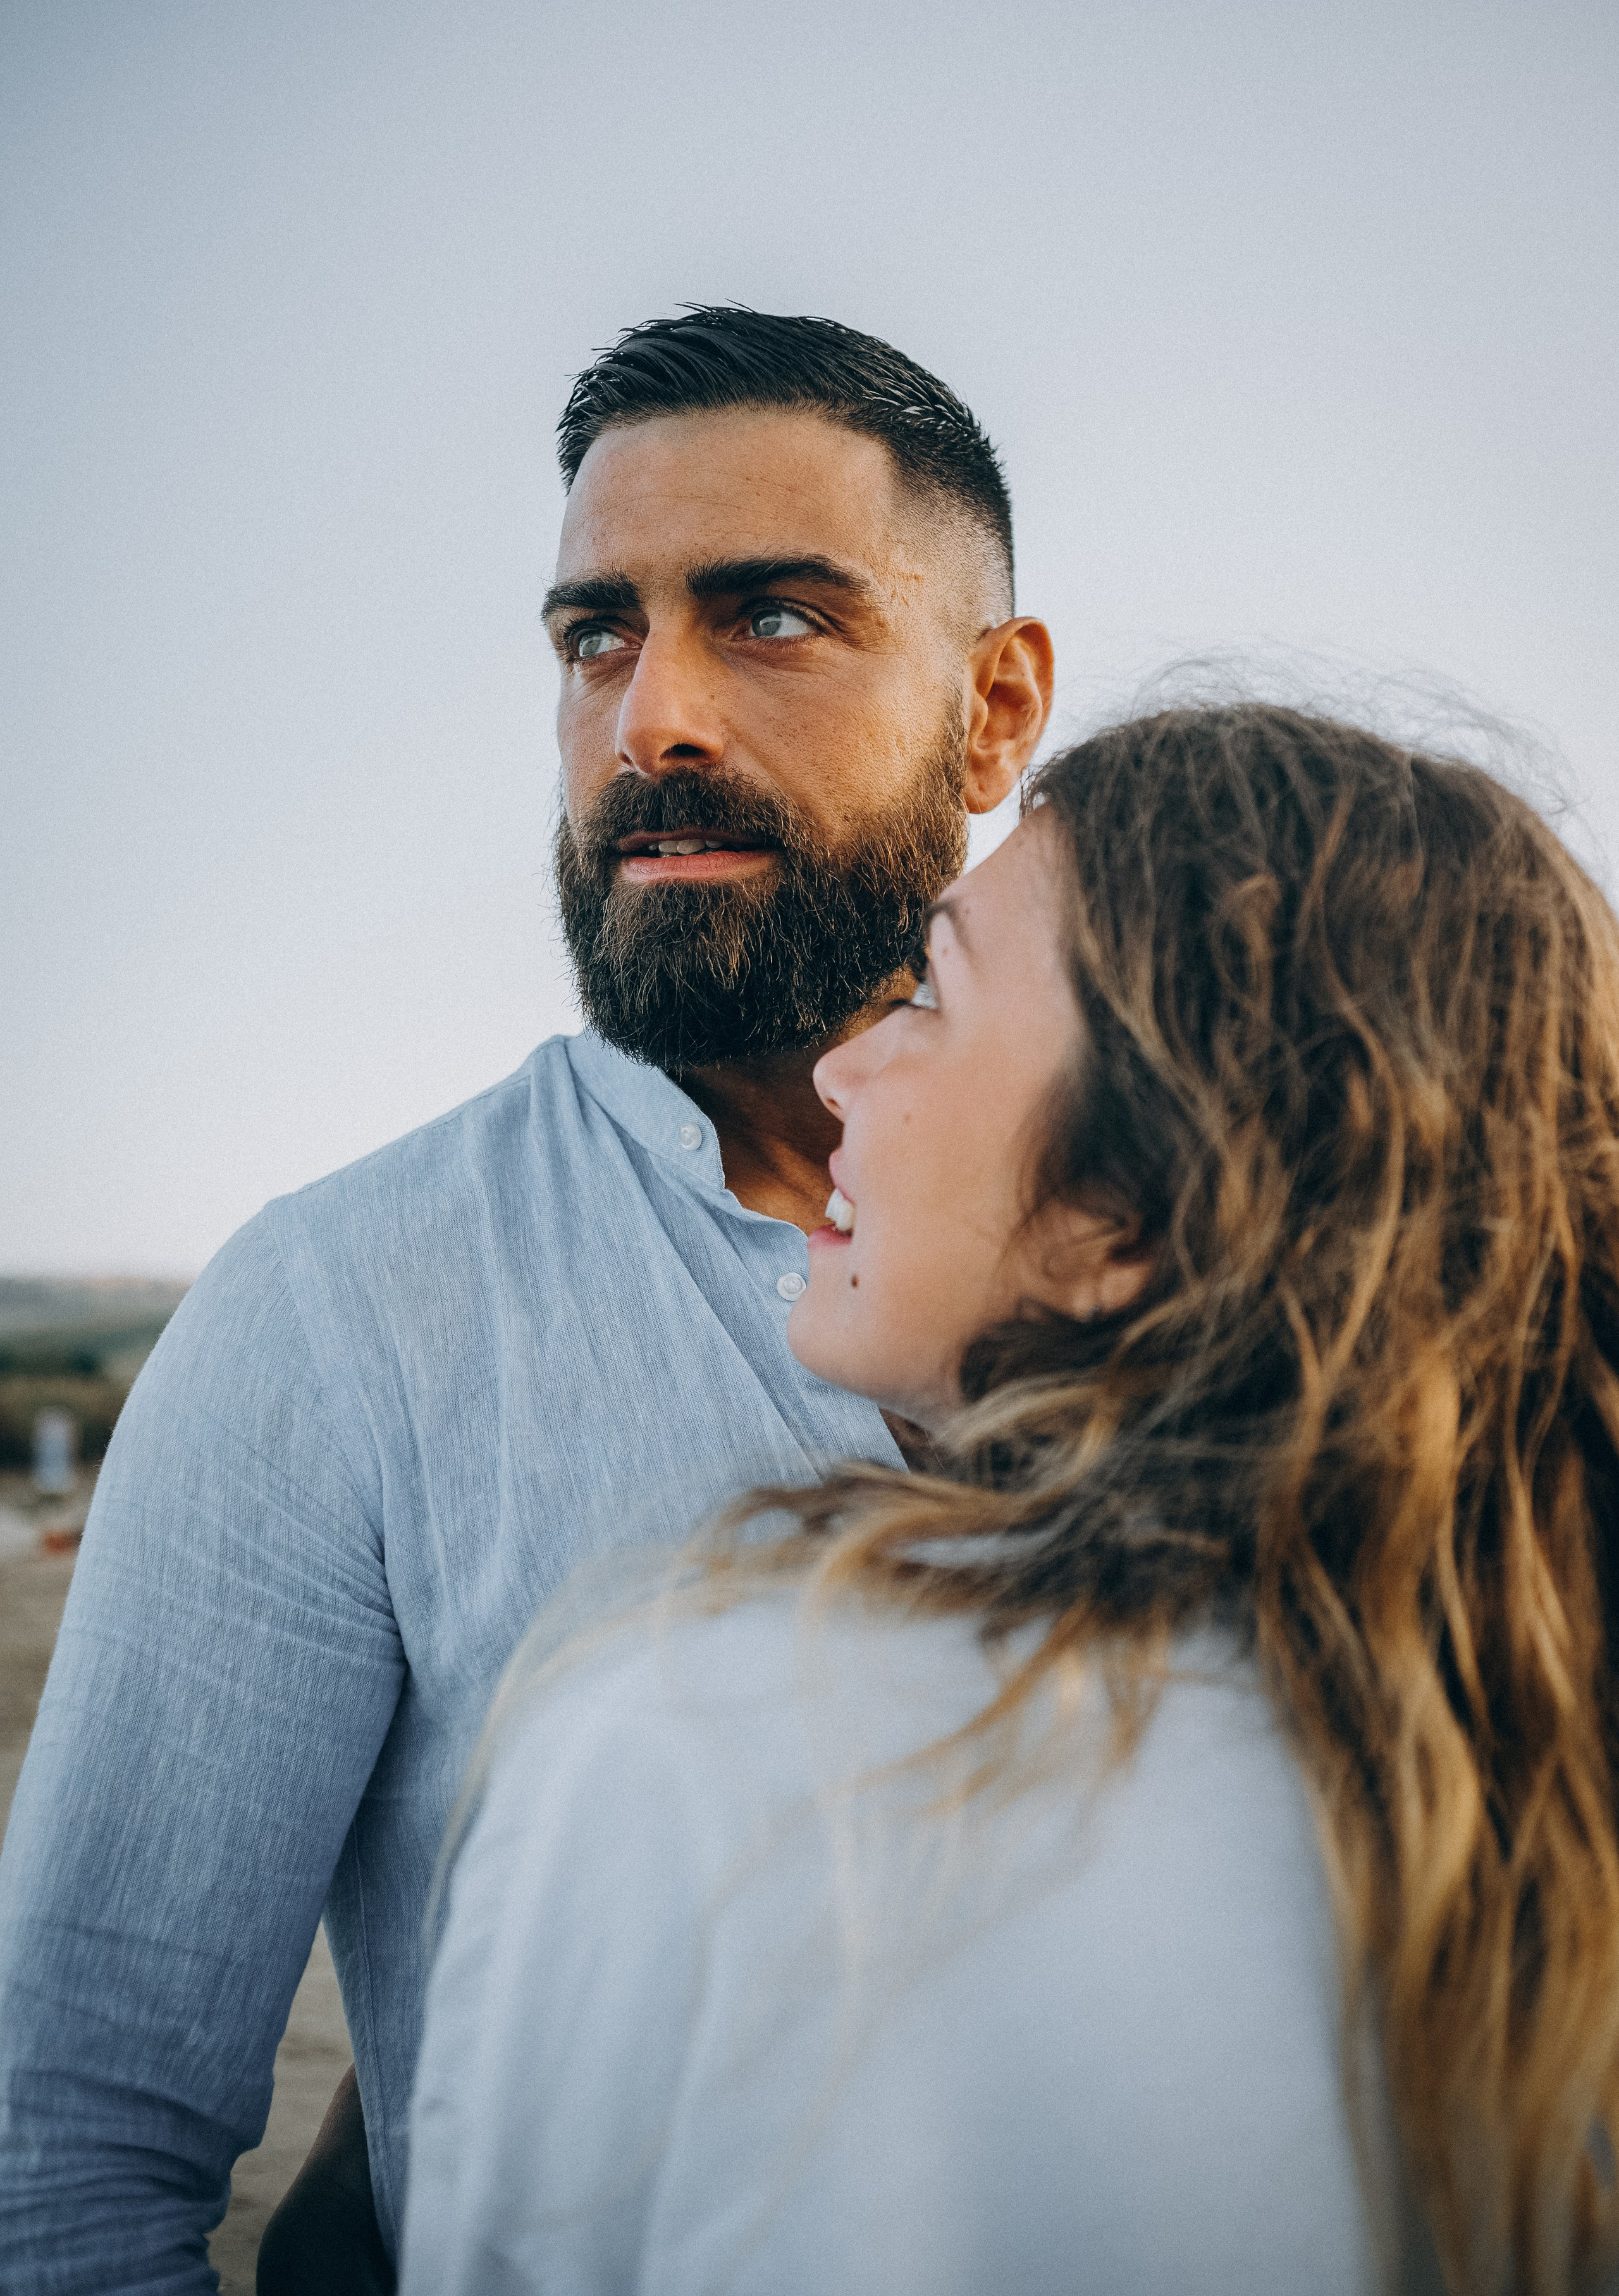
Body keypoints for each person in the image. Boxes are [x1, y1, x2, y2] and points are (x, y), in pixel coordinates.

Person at [0, 307, 1053, 2291]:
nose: (651, 718)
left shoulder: (1257, 1261)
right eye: (597, 636)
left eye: (770, 618)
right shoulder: (339, 1315)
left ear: (995, 707)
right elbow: (69, 2167)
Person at [402, 703, 1619, 2296]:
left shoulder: (715, 1755)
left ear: (1136, 1204)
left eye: (928, 992)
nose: (842, 1060)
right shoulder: (1536, 1787)